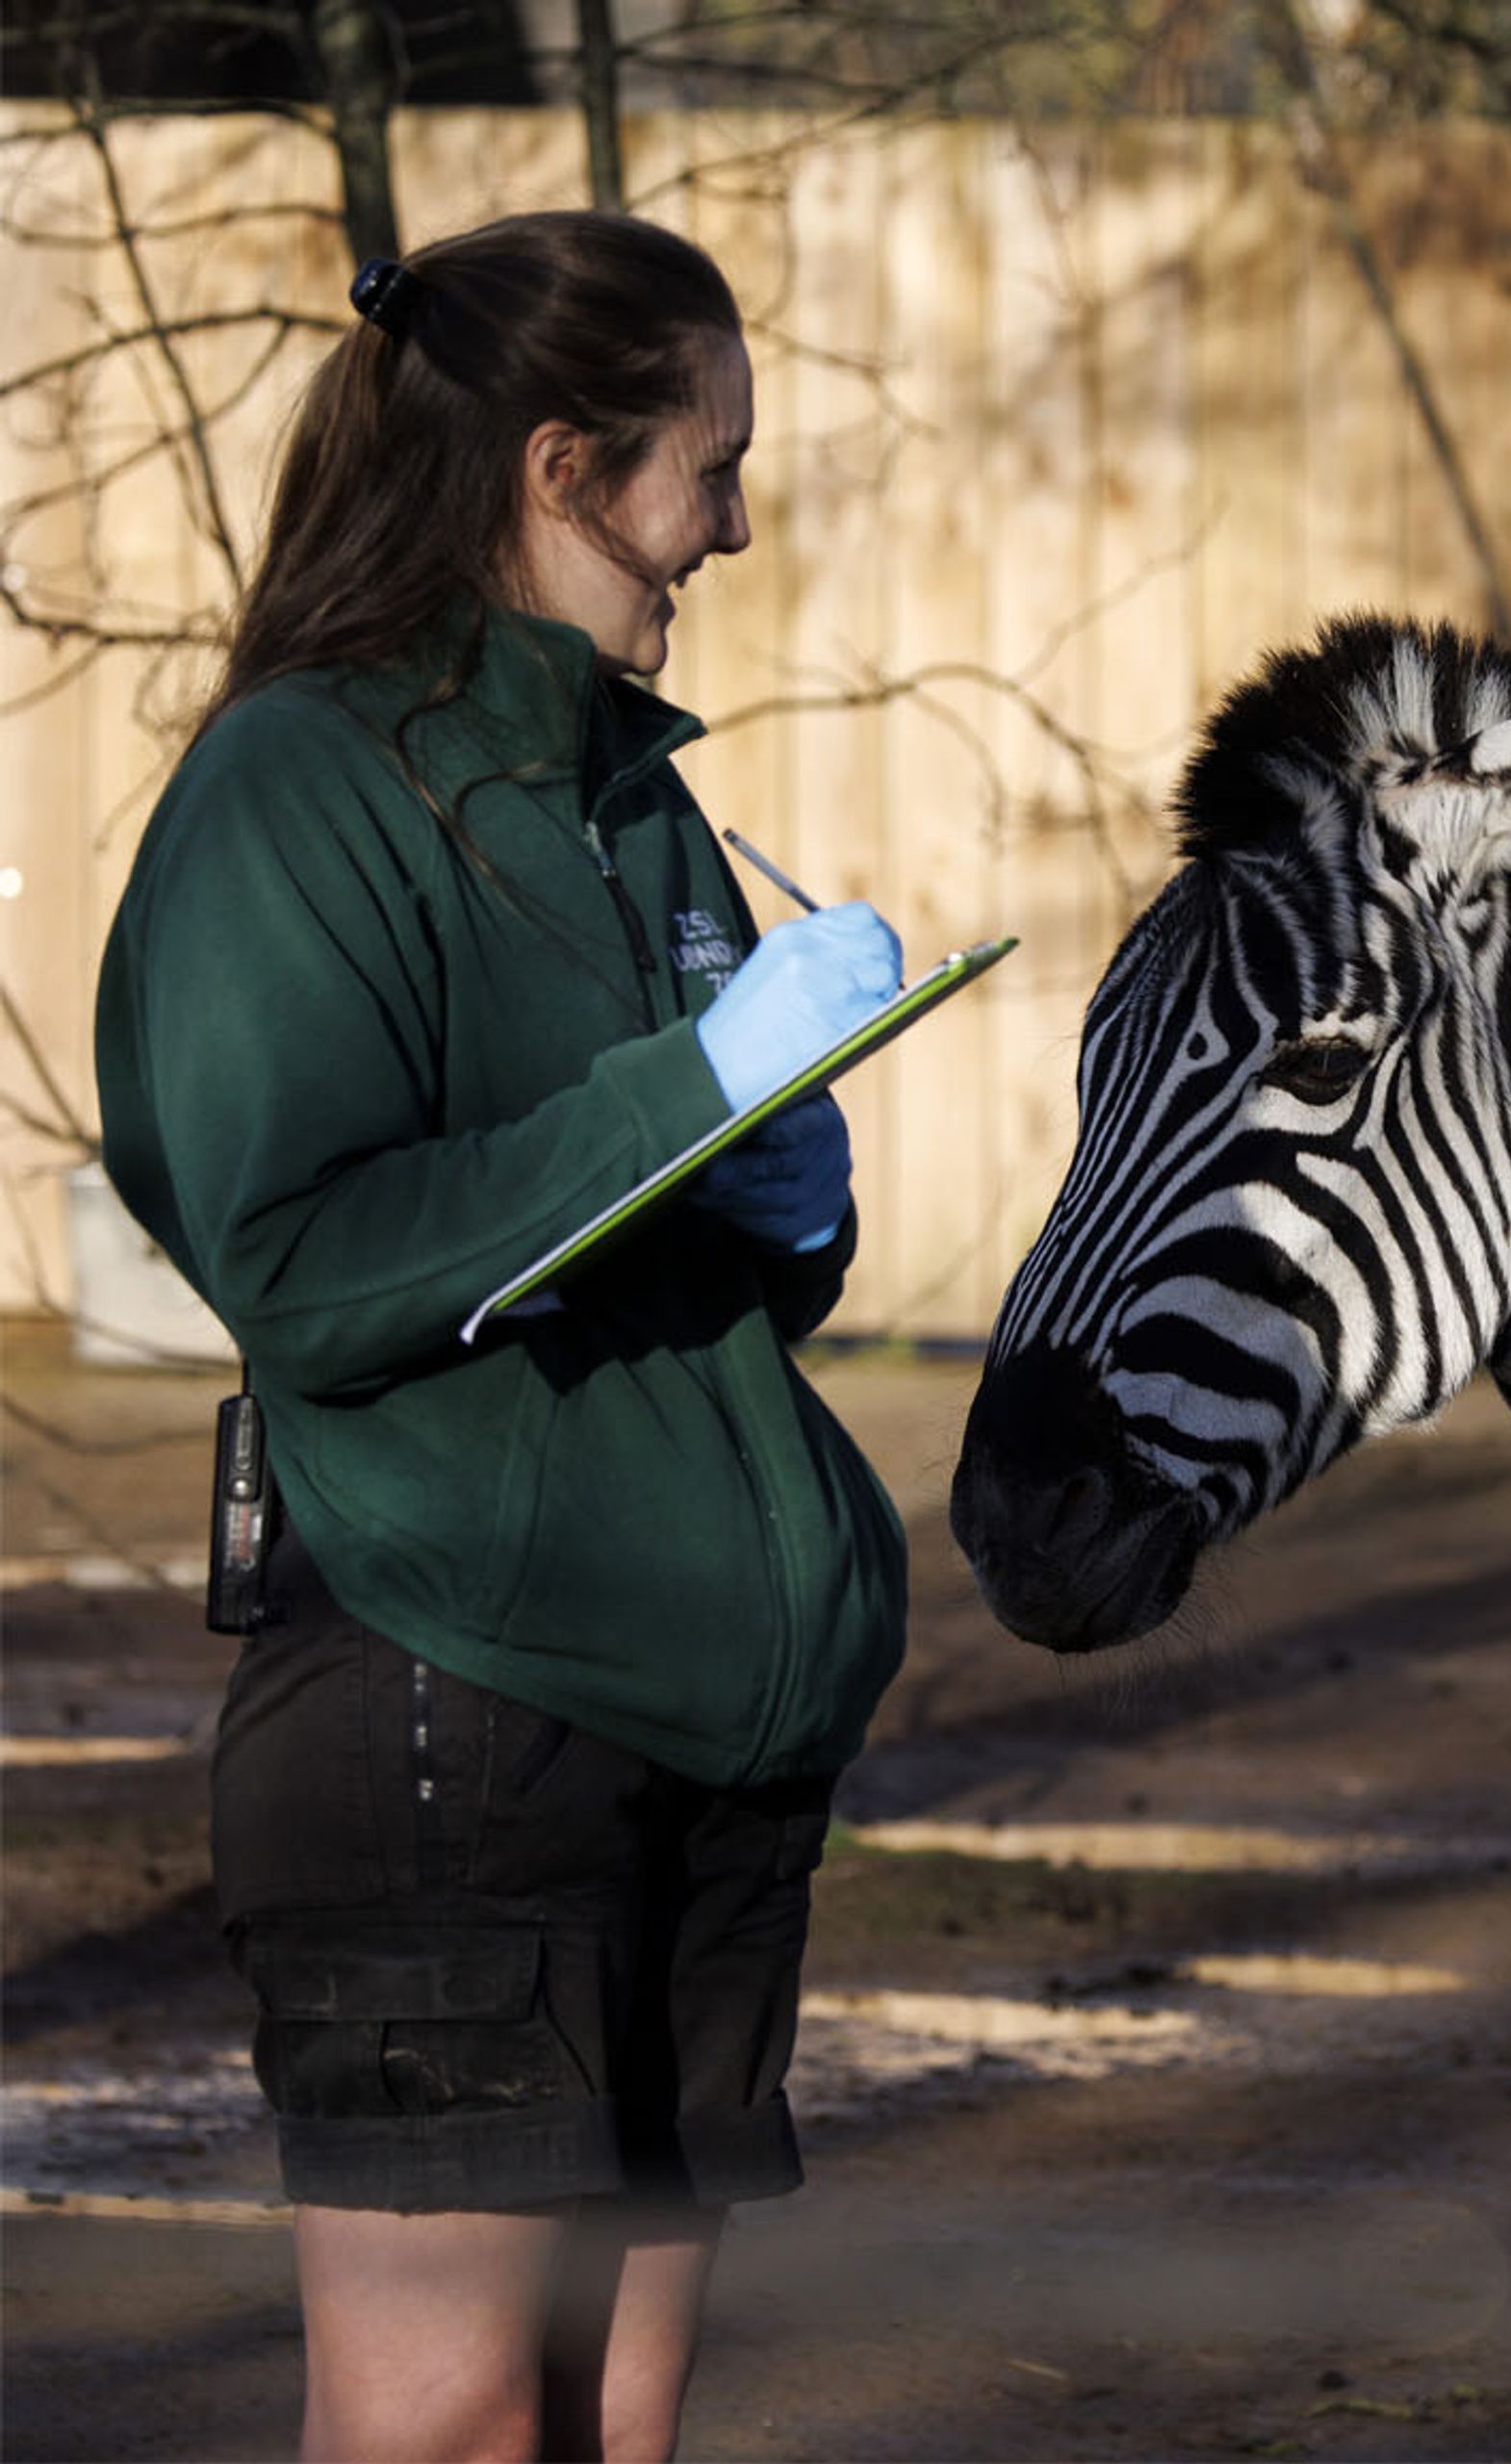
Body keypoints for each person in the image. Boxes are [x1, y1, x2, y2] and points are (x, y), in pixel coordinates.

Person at [91, 211, 909, 2463]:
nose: (734, 519)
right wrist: (688, 1090)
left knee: (609, 2426)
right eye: (707, 464)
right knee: (451, 2429)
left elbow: (643, 1221)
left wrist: (782, 1199)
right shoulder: (300, 790)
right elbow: (308, 1255)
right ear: (565, 464)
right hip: (455, 1712)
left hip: (712, 1743)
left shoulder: (632, 794)